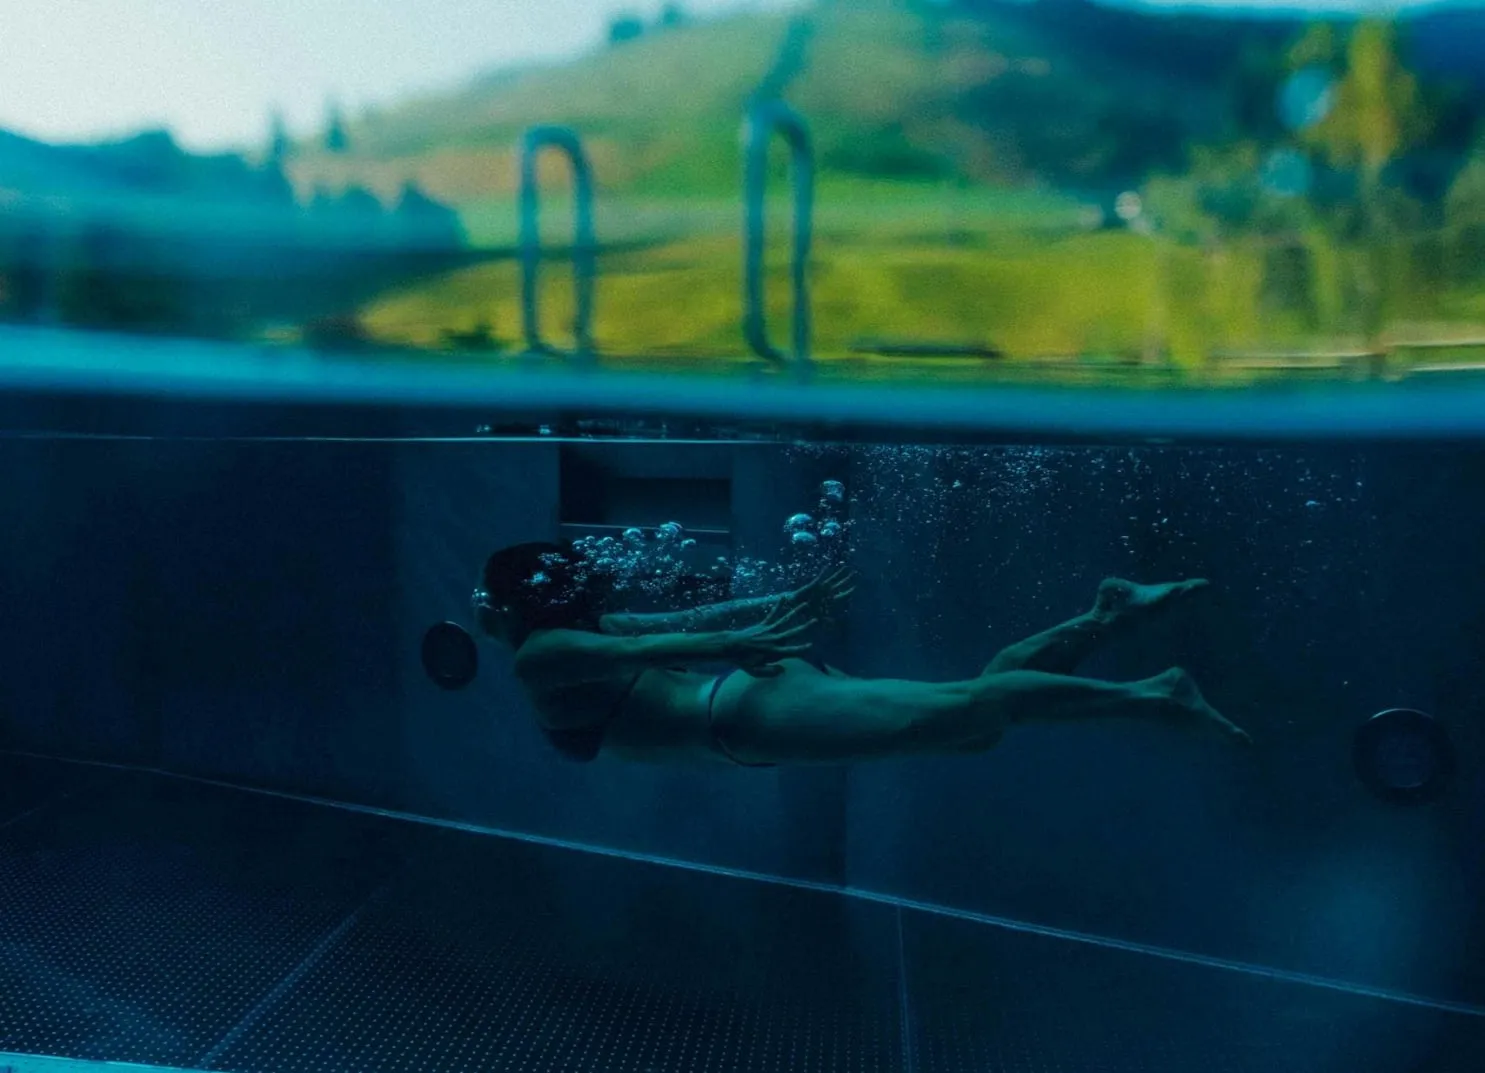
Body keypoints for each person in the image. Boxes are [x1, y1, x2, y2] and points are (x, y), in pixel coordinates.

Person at [472, 541, 1251, 767]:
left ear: (514, 605)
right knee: (971, 720)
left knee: (968, 711)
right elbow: (688, 619)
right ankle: (1104, 615)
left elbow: (685, 631)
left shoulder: (539, 655)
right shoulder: (574, 635)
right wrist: (763, 613)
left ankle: (1156, 695)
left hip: (748, 714)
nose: (481, 612)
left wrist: (744, 631)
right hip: (753, 712)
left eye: (490, 601)